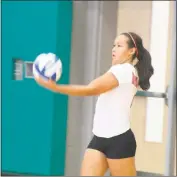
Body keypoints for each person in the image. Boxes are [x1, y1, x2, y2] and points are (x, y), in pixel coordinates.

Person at [34, 32, 154, 176]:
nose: (114, 49)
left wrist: (55, 87)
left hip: (119, 140)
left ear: (131, 51)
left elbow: (91, 89)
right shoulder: (129, 71)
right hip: (100, 138)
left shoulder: (124, 70)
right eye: (113, 45)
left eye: (119, 46)